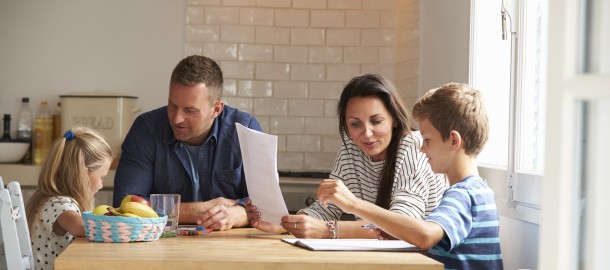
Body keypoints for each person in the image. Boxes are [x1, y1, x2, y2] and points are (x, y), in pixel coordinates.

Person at [316, 83, 503, 269]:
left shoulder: (464, 195)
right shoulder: (476, 191)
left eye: (427, 140)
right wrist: (395, 231)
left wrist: (353, 204)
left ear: (453, 140)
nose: (421, 148)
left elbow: (425, 236)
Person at [247, 74, 448, 238]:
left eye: (376, 121)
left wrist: (327, 230)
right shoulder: (351, 150)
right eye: (355, 124)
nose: (366, 133)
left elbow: (402, 225)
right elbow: (326, 209)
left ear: (394, 119)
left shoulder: (413, 146)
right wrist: (286, 224)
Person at [113, 55, 262, 231]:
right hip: (161, 247)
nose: (176, 118)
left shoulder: (245, 130)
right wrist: (197, 211)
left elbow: (265, 205)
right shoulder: (146, 129)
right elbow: (125, 205)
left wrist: (238, 213)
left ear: (216, 109)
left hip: (229, 248)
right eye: (172, 106)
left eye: (190, 110)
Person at [25, 127, 112, 270]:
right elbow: (82, 228)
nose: (101, 185)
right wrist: (120, 224)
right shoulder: (60, 204)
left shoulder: (45, 197)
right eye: (101, 177)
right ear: (83, 174)